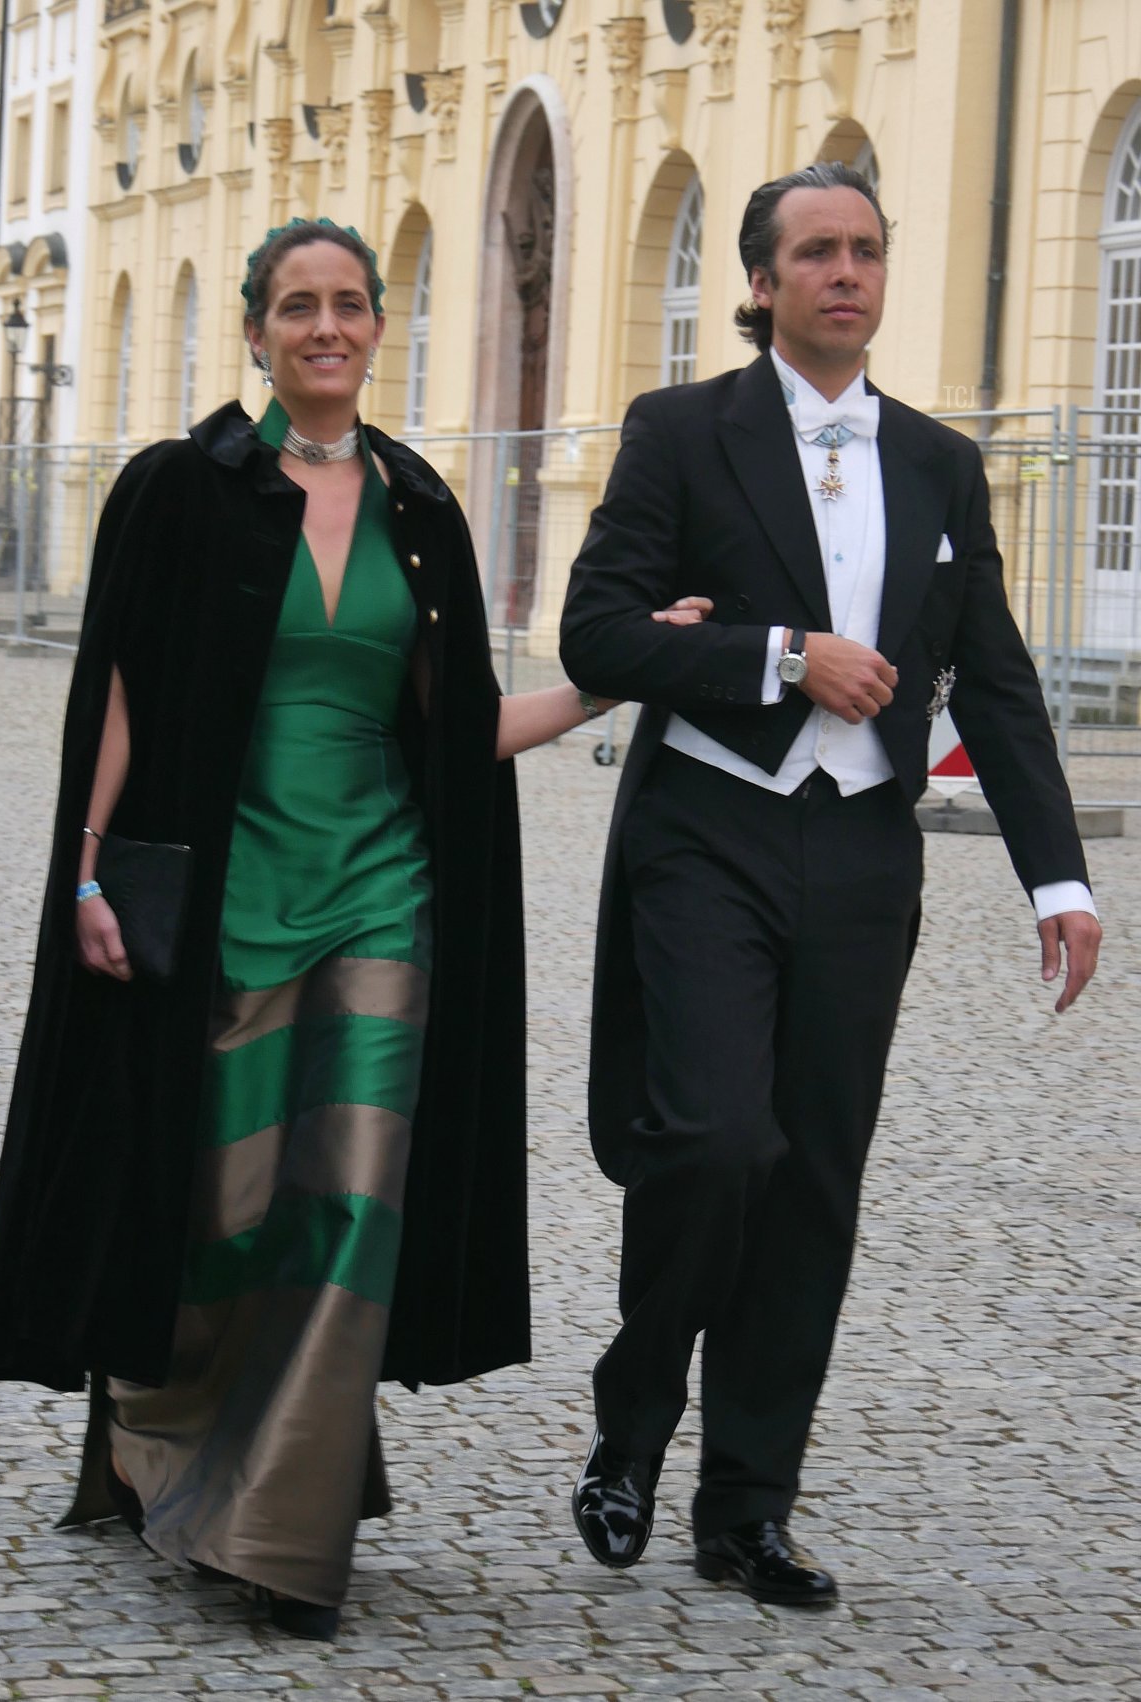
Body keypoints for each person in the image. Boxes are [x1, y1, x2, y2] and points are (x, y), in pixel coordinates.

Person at [0, 218, 709, 1640]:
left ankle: (279, 1531)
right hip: (232, 894)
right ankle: (157, 1422)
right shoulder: (180, 490)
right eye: (297, 305)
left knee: (353, 1197)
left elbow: (462, 731)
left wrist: (622, 676)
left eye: (349, 305)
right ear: (257, 331)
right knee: (231, 1204)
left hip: (384, 888)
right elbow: (113, 692)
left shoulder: (420, 507)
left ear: (377, 330)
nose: (326, 326)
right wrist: (86, 871)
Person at [559, 163, 1102, 1606]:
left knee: (809, 1183)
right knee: (717, 1139)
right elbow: (599, 631)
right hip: (709, 832)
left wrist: (1059, 880)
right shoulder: (682, 431)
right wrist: (783, 657)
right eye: (815, 251)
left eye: (865, 249)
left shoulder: (937, 459)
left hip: (864, 856)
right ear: (761, 282)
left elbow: (995, 675)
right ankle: (632, 1416)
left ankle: (747, 1507)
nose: (845, 271)